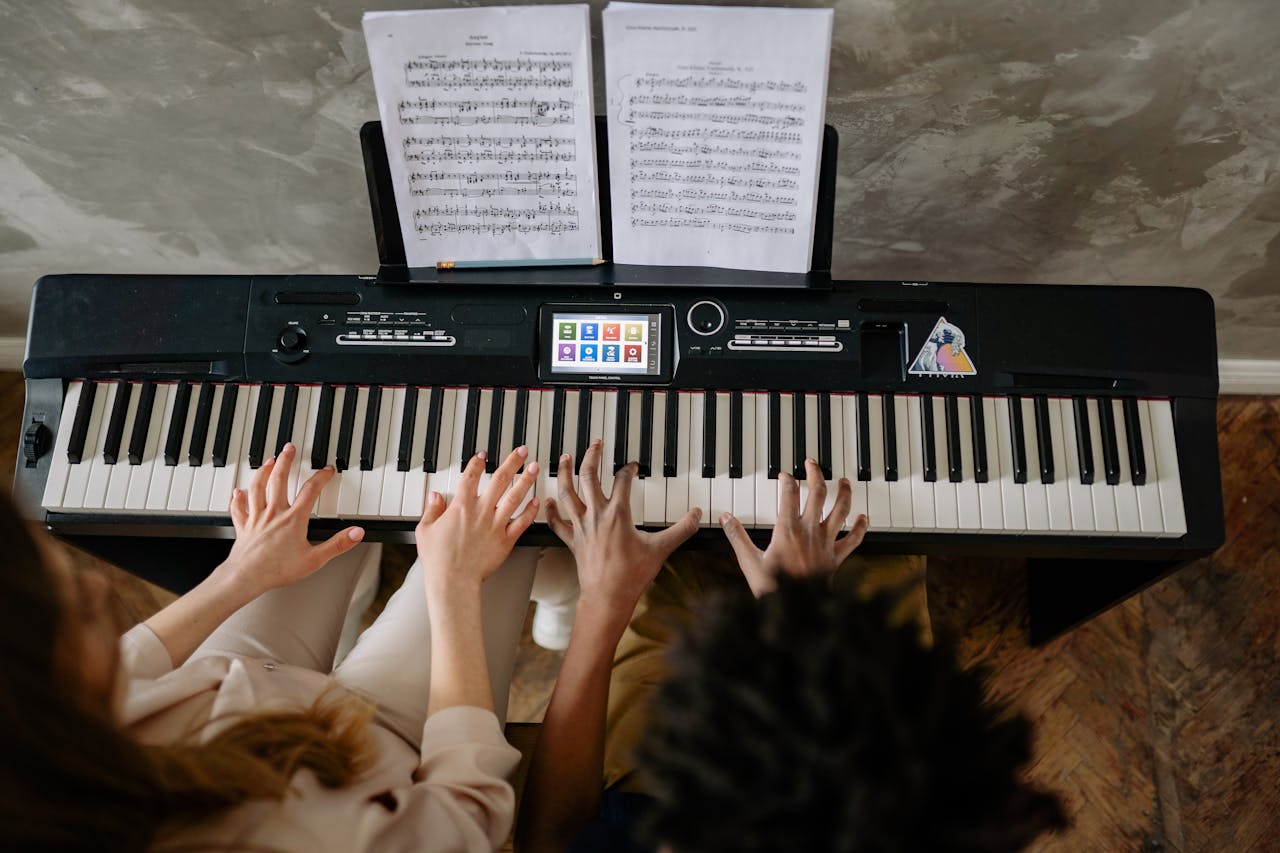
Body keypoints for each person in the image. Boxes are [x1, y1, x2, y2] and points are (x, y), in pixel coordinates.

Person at [517, 441, 1067, 853]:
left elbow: (553, 839)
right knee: (873, 539)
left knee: (669, 564)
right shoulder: (894, 822)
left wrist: (602, 601)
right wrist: (803, 610)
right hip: (856, 755)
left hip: (648, 800)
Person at [0, 441, 543, 852]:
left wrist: (240, 573)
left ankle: (357, 601)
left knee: (334, 479)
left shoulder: (30, 732)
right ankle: (556, 612)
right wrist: (454, 586)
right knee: (510, 517)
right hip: (391, 743)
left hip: (241, 667)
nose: (98, 586)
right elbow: (468, 811)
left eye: (71, 577)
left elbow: (129, 664)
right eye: (83, 609)